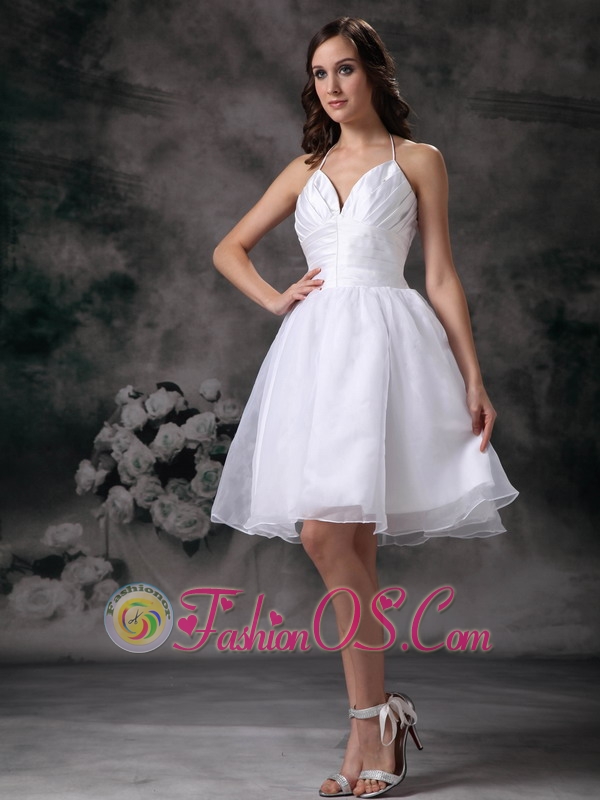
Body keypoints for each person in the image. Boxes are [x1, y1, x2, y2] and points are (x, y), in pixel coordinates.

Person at [210, 16, 519, 798]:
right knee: (328, 534)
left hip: (389, 350)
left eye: (345, 69)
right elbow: (228, 249)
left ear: (374, 72)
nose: (332, 86)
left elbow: (440, 273)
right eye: (319, 74)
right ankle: (374, 719)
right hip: (317, 358)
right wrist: (276, 299)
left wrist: (473, 377)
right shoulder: (304, 168)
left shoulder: (417, 160)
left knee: (343, 539)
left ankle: (369, 724)